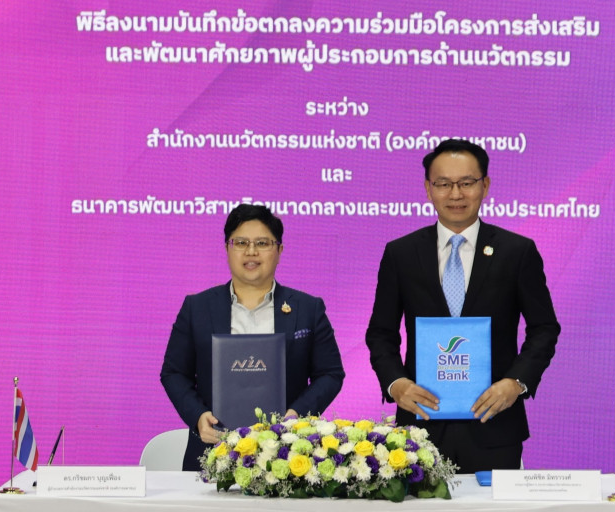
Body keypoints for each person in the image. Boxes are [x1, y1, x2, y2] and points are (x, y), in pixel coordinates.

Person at [366, 138, 559, 473]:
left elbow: (544, 328)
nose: (455, 194)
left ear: (485, 185)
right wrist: (396, 384)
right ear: (428, 189)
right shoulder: (401, 253)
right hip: (420, 427)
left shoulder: (517, 252)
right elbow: (381, 333)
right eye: (443, 184)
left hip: (495, 424)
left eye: (467, 183)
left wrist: (516, 382)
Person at [161, 204, 345, 471]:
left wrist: (296, 416)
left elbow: (330, 373)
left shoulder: (308, 308)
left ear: (279, 251)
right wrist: (198, 416)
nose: (251, 251)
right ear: (227, 249)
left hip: (288, 455)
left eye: (262, 243)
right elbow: (174, 373)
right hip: (212, 450)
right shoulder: (197, 307)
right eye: (240, 243)